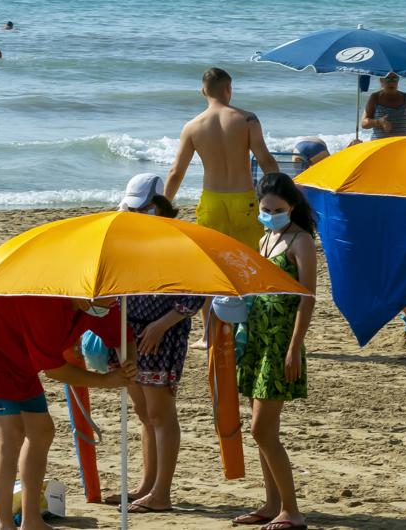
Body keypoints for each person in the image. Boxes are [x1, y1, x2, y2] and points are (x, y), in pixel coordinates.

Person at [0, 295, 137, 530]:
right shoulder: (49, 306)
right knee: (11, 434)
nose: (112, 301)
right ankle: (4, 523)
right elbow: (55, 370)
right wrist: (104, 380)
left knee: (42, 431)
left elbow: (122, 337)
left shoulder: (102, 305)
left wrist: (129, 363)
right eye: (107, 298)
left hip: (21, 360)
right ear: (84, 295)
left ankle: (31, 519)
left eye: (113, 297)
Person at [165, 67, 278, 347]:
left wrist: (165, 206)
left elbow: (176, 172)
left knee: (212, 268)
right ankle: (249, 329)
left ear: (203, 90)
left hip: (212, 201)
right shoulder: (247, 119)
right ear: (229, 89)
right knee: (250, 264)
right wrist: (282, 195)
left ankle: (208, 335)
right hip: (245, 199)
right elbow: (266, 161)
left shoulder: (192, 126)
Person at [107, 173, 201, 513]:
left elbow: (195, 294)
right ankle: (146, 486)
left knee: (160, 414)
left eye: (143, 208)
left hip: (162, 333)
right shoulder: (126, 237)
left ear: (159, 207)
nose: (135, 214)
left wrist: (162, 325)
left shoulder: (179, 241)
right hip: (128, 332)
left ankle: (161, 493)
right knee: (144, 413)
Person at [232, 172, 316, 530]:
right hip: (257, 339)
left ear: (292, 207)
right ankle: (272, 504)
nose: (269, 214)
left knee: (261, 430)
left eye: (277, 209)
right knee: (263, 429)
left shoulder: (301, 241)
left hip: (281, 342)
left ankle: (292, 511)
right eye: (265, 208)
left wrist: (295, 348)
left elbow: (307, 299)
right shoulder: (265, 238)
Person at [360, 72, 406, 139]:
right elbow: (364, 123)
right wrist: (378, 122)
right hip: (380, 145)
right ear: (381, 80)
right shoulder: (375, 97)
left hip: (404, 144)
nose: (391, 82)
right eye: (388, 79)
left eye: (395, 79)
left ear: (398, 80)